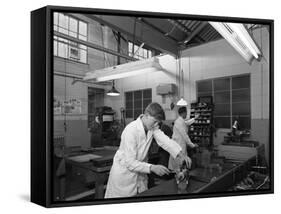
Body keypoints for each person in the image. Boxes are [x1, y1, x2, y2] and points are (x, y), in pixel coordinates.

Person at [105, 102, 191, 198]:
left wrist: (181, 154)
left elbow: (165, 140)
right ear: (146, 115)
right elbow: (130, 162)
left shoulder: (152, 128)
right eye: (154, 121)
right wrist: (152, 168)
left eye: (158, 123)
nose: (156, 124)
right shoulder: (131, 130)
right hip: (124, 175)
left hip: (140, 173)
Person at [168, 106, 198, 171]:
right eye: (186, 113)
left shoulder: (181, 121)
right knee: (178, 165)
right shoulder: (178, 122)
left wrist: (194, 118)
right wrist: (192, 145)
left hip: (181, 144)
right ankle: (179, 178)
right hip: (178, 145)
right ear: (183, 113)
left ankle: (181, 176)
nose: (187, 115)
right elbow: (185, 135)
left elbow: (186, 123)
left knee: (181, 163)